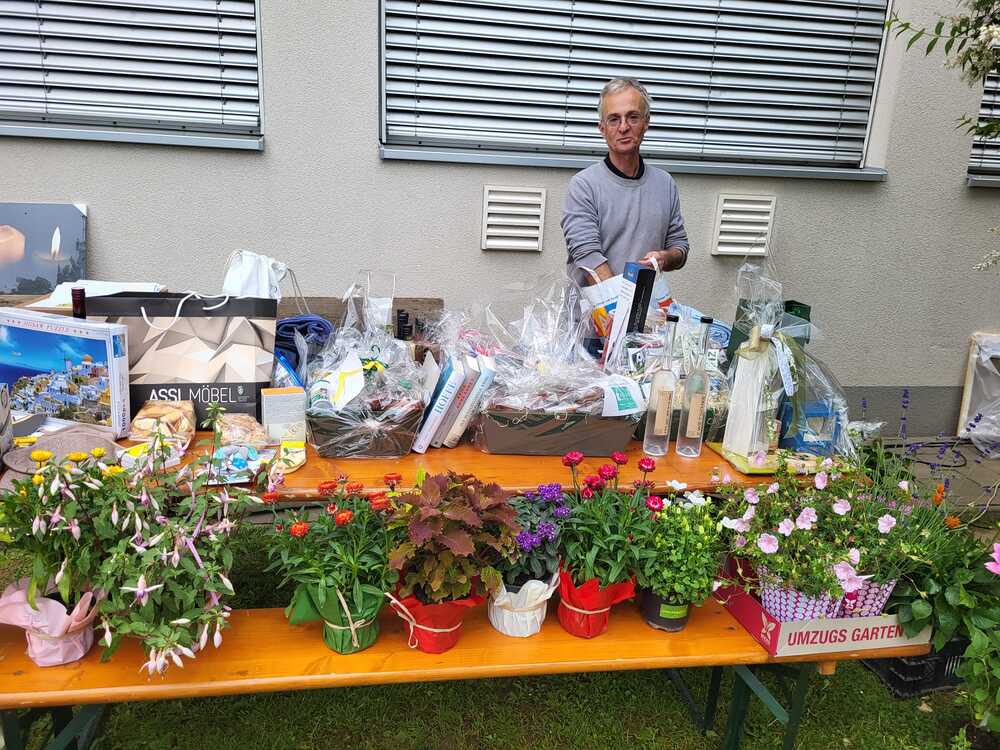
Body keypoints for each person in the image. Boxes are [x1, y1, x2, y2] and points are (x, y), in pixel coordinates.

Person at [562, 78, 689, 287]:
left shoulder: (665, 184)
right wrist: (622, 302)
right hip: (594, 307)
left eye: (633, 117)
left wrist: (665, 258)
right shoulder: (583, 186)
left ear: (646, 123)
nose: (623, 127)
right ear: (602, 128)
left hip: (645, 306)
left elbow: (680, 246)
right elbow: (587, 257)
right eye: (614, 119)